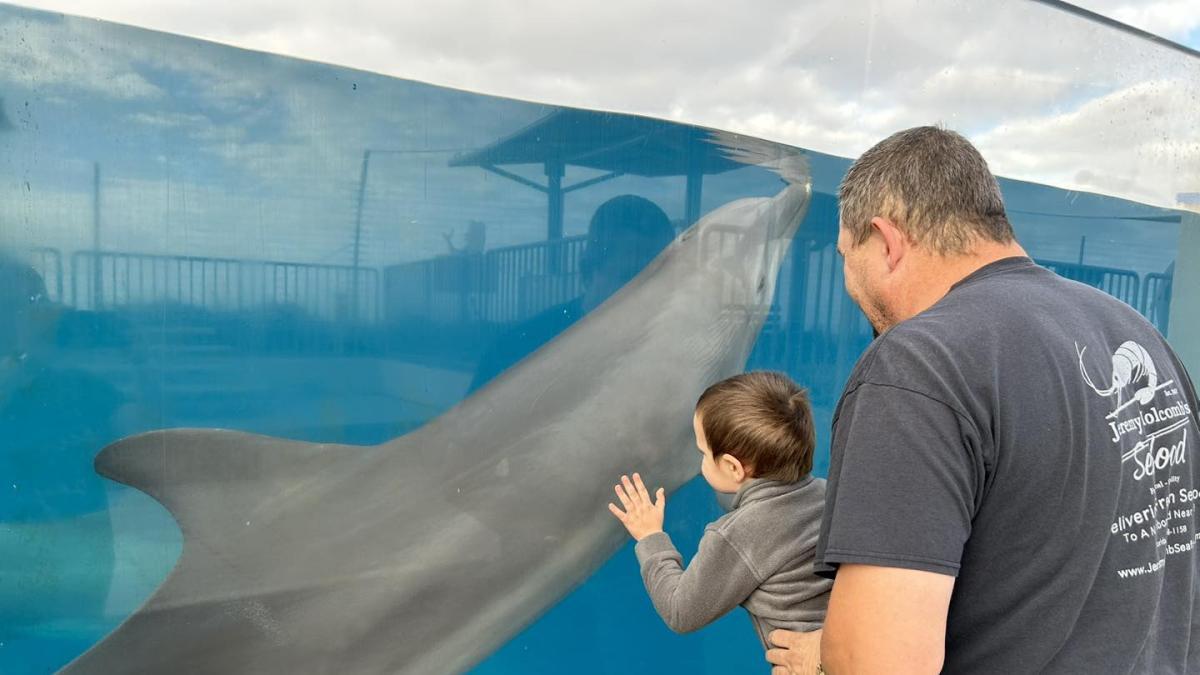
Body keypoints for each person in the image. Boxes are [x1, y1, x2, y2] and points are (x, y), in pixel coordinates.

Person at [766, 126, 1200, 673]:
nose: (850, 284)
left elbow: (882, 661)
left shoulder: (919, 364)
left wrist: (826, 656)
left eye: (846, 257)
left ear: (887, 241)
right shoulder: (1136, 334)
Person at [608, 371, 831, 661]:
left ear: (733, 468)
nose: (700, 460)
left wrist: (650, 537)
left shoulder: (734, 537)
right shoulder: (830, 495)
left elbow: (680, 613)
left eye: (702, 452)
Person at [468, 194, 675, 392]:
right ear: (588, 271)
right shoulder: (515, 355)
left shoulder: (674, 354)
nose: (651, 293)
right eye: (632, 278)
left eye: (662, 278)